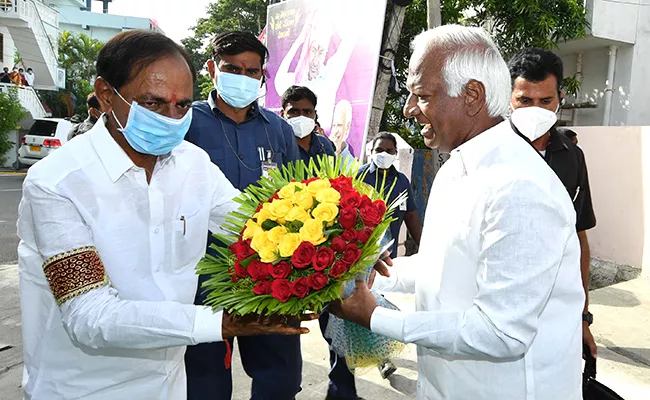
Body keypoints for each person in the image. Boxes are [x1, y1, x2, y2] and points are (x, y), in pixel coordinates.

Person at [17, 29, 312, 400]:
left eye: (183, 106)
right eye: (154, 104)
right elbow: (89, 316)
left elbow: (255, 228)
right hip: (83, 387)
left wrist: (335, 253)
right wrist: (221, 322)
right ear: (107, 95)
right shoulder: (56, 184)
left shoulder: (194, 166)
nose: (172, 119)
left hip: (168, 384)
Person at [332, 25, 584, 399]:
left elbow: (501, 333)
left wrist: (375, 317)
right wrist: (364, 275)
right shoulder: (455, 168)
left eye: (422, 95)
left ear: (472, 96)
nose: (409, 109)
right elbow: (445, 265)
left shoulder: (519, 187)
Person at [184, 31, 302, 400]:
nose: (243, 77)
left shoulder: (279, 130)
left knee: (280, 379)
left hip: (268, 278)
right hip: (202, 276)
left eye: (252, 71)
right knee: (204, 382)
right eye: (232, 69)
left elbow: (296, 200)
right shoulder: (186, 123)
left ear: (262, 76)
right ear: (211, 70)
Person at [508, 47, 598, 358]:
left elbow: (579, 237)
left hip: (556, 314)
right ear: (510, 98)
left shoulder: (573, 157)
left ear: (560, 97)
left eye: (545, 100)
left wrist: (583, 317)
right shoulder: (489, 152)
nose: (535, 109)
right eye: (524, 100)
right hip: (499, 308)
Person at [321, 132, 422, 400]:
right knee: (348, 314)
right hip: (357, 256)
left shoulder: (401, 182)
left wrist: (425, 247)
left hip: (385, 259)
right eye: (380, 149)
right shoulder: (360, 176)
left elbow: (411, 214)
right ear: (371, 150)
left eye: (390, 150)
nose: (384, 154)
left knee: (377, 305)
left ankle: (379, 355)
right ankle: (345, 379)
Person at [280, 85, 335, 163]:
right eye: (294, 112)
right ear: (282, 114)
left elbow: (334, 174)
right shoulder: (276, 146)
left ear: (314, 114)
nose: (301, 116)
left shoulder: (323, 144)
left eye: (307, 112)